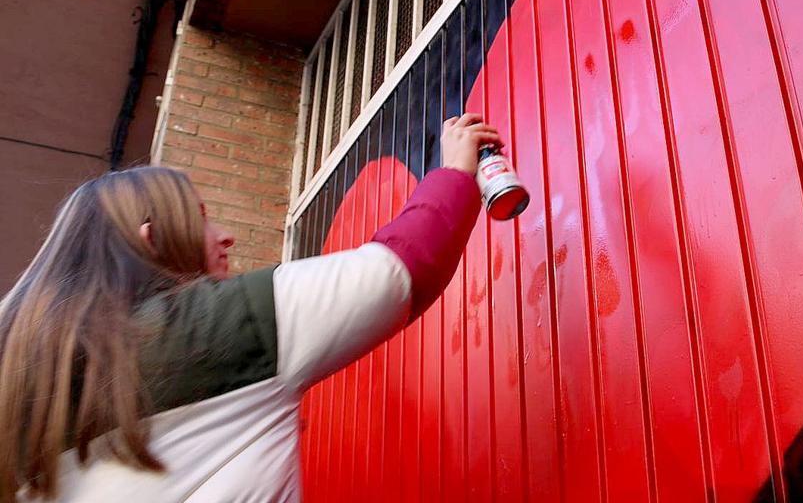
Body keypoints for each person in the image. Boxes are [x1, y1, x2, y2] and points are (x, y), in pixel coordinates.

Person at [0, 114, 501, 502]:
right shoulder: (214, 328)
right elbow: (398, 271)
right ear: (150, 241)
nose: (226, 235)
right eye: (200, 219)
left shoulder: (26, 396)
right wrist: (456, 169)